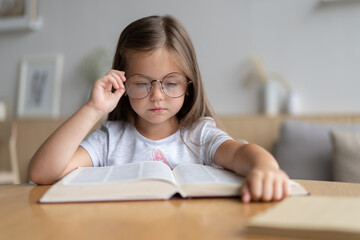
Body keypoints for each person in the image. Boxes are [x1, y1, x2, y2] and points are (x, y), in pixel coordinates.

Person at [28, 15, 290, 203]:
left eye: (171, 83)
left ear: (189, 85)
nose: (156, 96)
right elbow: (42, 173)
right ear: (122, 82)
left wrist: (266, 168)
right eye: (141, 83)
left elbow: (242, 153)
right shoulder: (111, 139)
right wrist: (93, 108)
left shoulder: (200, 135)